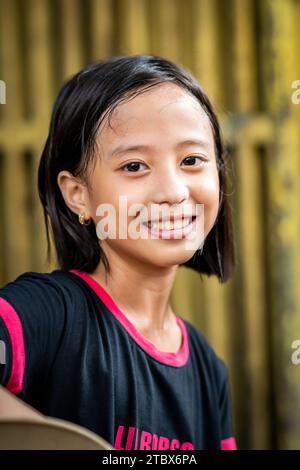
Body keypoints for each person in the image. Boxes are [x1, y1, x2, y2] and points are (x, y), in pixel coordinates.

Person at [0, 55, 236, 450]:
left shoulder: (209, 371)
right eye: (134, 166)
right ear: (78, 195)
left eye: (192, 160)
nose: (173, 192)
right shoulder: (45, 316)